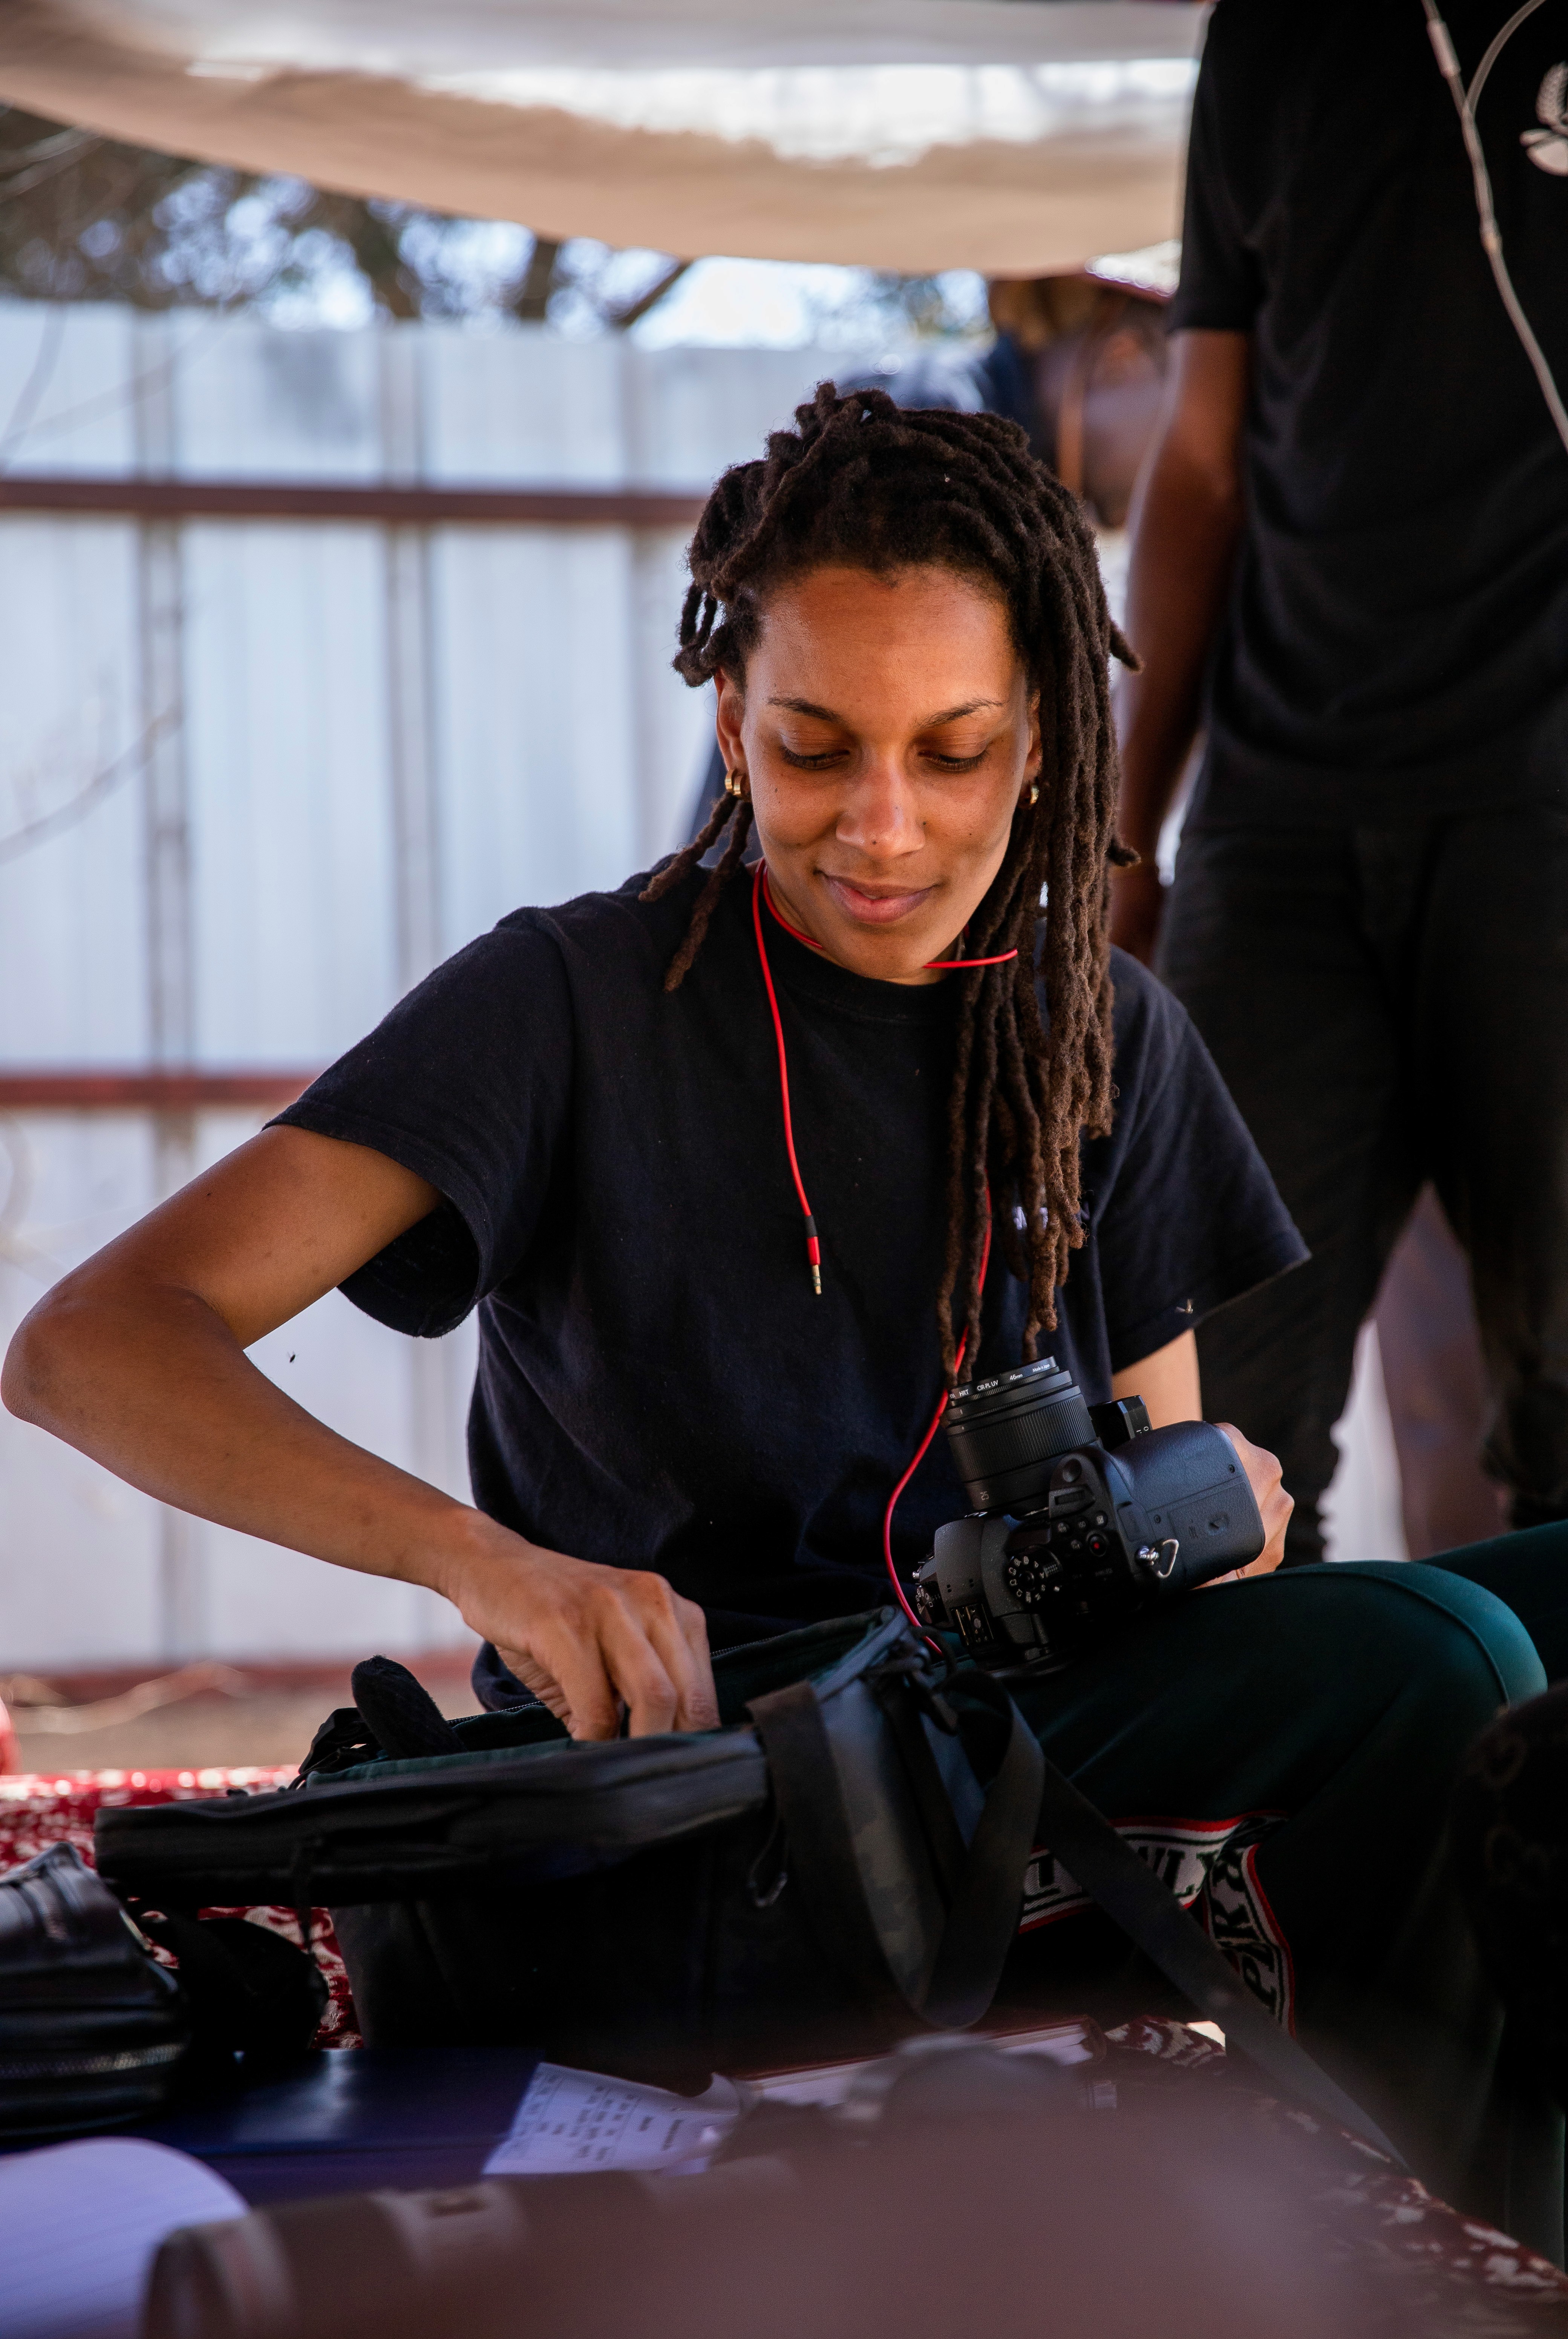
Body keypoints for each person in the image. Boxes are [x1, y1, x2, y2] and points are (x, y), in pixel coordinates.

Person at [1, 386, 1559, 2240]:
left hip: (1019, 1767)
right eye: (815, 748)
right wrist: (494, 1570)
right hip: (705, 1810)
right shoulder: (567, 1002)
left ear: (1048, 736)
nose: (883, 827)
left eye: (956, 750)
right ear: (728, 722)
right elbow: (87, 1343)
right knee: (1437, 1668)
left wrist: (1211, 1514)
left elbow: (1178, 1559)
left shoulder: (1106, 1036)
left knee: (1525, 1605)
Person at [1111, 0, 1568, 1559]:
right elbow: (1199, 454)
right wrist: (1117, 832)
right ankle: (1268, 1807)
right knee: (1190, 1445)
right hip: (1274, 819)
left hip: (1541, 812)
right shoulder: (1272, 34)